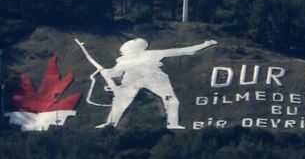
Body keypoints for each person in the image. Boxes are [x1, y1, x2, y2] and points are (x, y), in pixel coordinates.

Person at [77, 37, 216, 129]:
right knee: (120, 102)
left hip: (154, 79)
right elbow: (116, 73)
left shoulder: (147, 55)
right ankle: (110, 124)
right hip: (135, 81)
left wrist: (204, 45)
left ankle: (173, 123)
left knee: (171, 100)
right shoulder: (125, 60)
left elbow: (181, 51)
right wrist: (107, 73)